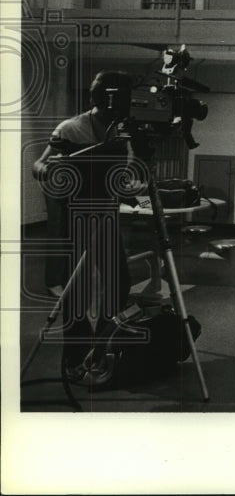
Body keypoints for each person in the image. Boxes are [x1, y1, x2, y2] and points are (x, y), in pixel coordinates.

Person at [32, 70, 134, 381]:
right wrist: (54, 169)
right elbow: (39, 165)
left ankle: (99, 347)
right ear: (99, 98)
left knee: (120, 283)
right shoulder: (71, 128)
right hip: (74, 217)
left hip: (106, 215)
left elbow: (127, 167)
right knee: (75, 293)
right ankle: (75, 360)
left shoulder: (123, 130)